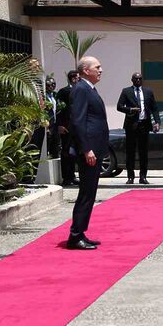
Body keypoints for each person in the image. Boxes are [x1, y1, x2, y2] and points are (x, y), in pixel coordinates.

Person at [68, 56, 109, 250]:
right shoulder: (81, 89)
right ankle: (75, 236)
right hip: (89, 150)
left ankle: (80, 231)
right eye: (97, 67)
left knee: (90, 192)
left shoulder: (88, 88)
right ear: (86, 70)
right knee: (86, 193)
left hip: (95, 148)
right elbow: (77, 121)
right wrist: (87, 149)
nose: (101, 70)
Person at [116, 72, 160, 185]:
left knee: (143, 152)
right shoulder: (126, 91)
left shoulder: (148, 92)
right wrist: (131, 110)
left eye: (140, 79)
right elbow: (119, 106)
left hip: (144, 125)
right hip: (131, 125)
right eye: (136, 79)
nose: (138, 81)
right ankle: (130, 176)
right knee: (130, 152)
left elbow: (154, 108)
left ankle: (143, 176)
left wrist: (157, 122)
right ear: (132, 80)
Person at [57, 70, 80, 185]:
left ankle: (72, 175)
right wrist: (60, 124)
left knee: (74, 152)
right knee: (66, 151)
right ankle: (66, 177)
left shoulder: (79, 91)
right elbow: (59, 110)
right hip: (66, 126)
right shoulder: (63, 92)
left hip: (76, 126)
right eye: (78, 78)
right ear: (73, 79)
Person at [44, 77, 60, 159]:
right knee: (48, 141)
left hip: (55, 123)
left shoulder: (55, 95)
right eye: (49, 85)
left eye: (53, 85)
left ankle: (54, 154)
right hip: (48, 123)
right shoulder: (43, 97)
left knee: (55, 142)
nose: (51, 87)